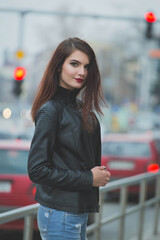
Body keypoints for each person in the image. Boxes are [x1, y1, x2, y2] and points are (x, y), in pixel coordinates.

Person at [28, 37, 111, 240]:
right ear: (59, 67)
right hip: (60, 214)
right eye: (74, 64)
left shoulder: (80, 108)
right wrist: (89, 178)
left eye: (86, 66)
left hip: (74, 212)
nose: (81, 72)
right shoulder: (51, 110)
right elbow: (37, 170)